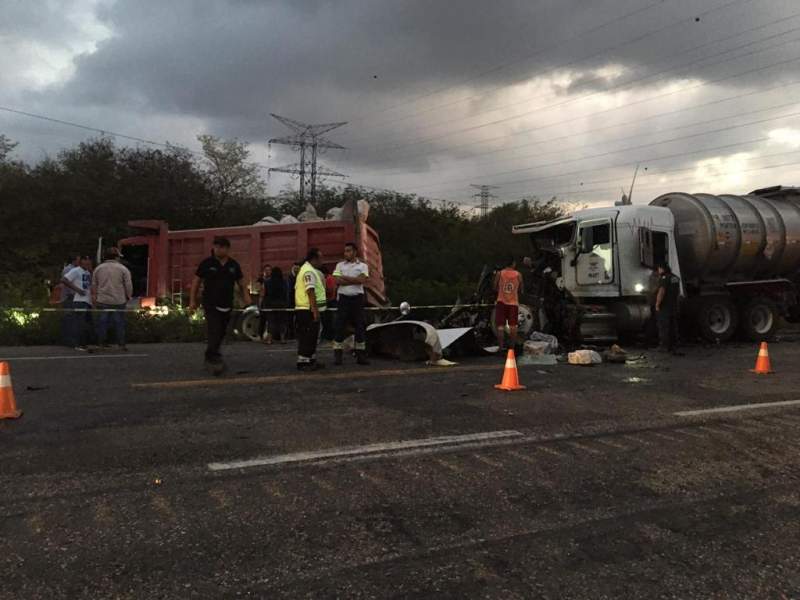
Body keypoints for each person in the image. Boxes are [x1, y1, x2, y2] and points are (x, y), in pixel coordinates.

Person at [189, 237, 252, 375]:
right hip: (210, 303)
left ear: (227, 249)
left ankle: (211, 354)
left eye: (221, 247)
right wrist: (192, 300)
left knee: (222, 331)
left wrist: (246, 296)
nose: (218, 249)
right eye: (216, 246)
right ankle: (214, 359)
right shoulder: (207, 263)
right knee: (214, 329)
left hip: (227, 303)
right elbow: (196, 282)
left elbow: (241, 282)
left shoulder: (233, 265)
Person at [332, 242, 370, 366]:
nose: (346, 253)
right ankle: (338, 355)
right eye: (345, 251)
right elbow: (337, 281)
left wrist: (346, 278)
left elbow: (362, 280)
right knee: (339, 326)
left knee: (360, 326)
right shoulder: (339, 265)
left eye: (348, 251)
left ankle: (361, 355)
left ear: (355, 252)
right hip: (343, 299)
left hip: (357, 299)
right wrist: (355, 280)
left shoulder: (363, 266)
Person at [92, 247, 133, 350]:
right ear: (116, 257)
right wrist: (129, 295)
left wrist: (94, 297)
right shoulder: (123, 269)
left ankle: (101, 343)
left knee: (102, 322)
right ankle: (121, 344)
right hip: (119, 300)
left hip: (103, 299)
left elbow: (94, 284)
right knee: (119, 322)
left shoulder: (98, 268)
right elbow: (128, 284)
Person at [294, 248, 327, 371]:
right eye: (320, 258)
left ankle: (311, 359)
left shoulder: (308, 269)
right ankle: (303, 362)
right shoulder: (309, 271)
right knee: (307, 336)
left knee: (312, 336)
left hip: (306, 308)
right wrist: (315, 310)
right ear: (314, 259)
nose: (322, 261)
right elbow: (310, 291)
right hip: (307, 309)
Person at [61, 255, 94, 351]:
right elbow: (64, 280)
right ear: (82, 261)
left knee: (87, 323)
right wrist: (77, 289)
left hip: (87, 300)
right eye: (86, 261)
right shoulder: (76, 270)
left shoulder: (87, 272)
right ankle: (78, 343)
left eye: (89, 261)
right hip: (79, 300)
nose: (88, 263)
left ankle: (85, 343)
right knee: (80, 323)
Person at [493, 257, 524, 351]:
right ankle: (512, 347)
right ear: (513, 264)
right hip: (513, 303)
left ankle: (501, 347)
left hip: (501, 301)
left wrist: (500, 291)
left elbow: (495, 286)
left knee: (500, 326)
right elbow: (521, 288)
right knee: (513, 326)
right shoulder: (518, 274)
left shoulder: (500, 273)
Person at [655, 263, 681, 354]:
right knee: (673, 326)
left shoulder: (664, 278)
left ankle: (664, 346)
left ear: (662, 269)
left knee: (664, 327)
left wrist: (657, 304)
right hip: (673, 306)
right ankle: (674, 346)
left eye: (659, 269)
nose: (658, 271)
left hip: (665, 307)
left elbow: (661, 291)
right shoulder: (675, 278)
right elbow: (677, 292)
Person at [262, 266, 288, 344]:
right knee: (282, 322)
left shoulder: (267, 282)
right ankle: (282, 339)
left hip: (270, 305)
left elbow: (264, 294)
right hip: (281, 304)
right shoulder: (284, 282)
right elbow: (286, 293)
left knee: (271, 322)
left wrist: (263, 304)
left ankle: (269, 339)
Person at [59, 254, 80, 347]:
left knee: (69, 318)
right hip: (69, 296)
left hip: (68, 296)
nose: (79, 262)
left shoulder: (68, 269)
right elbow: (68, 282)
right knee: (69, 318)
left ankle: (68, 339)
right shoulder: (70, 270)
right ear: (74, 260)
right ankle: (69, 340)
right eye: (78, 260)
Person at [320, 266, 337, 341]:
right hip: (329, 300)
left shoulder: (329, 278)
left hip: (329, 301)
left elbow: (330, 290)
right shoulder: (329, 278)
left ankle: (329, 336)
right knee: (327, 320)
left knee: (328, 320)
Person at [257, 265, 272, 341]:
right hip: (263, 301)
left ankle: (268, 336)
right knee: (262, 319)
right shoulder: (261, 280)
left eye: (269, 270)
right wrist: (260, 303)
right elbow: (260, 292)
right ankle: (260, 335)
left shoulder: (272, 280)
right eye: (266, 270)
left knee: (269, 320)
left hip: (269, 301)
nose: (267, 271)